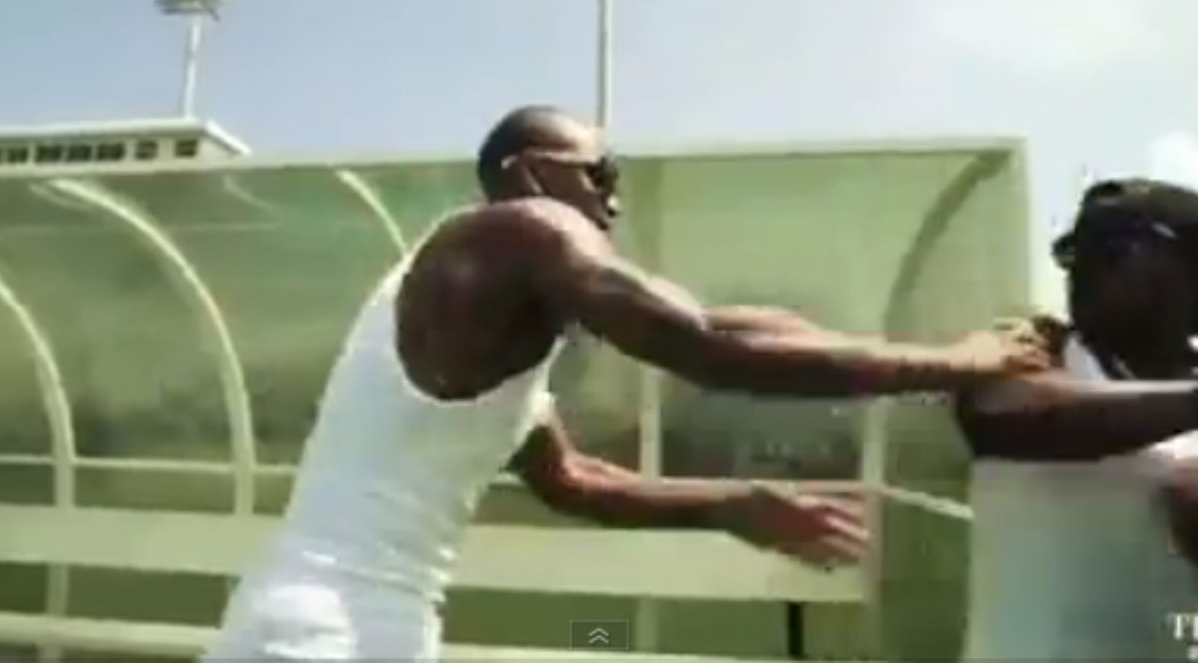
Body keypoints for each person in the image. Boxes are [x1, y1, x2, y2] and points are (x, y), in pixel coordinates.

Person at [202, 105, 1050, 661]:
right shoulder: (517, 230)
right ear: (529, 174)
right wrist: (963, 362)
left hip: (337, 627)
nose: (614, 202)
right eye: (599, 174)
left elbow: (576, 478)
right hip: (323, 636)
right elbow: (705, 342)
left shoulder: (488, 334)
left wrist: (735, 505)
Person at [957, 178, 1198, 661]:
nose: (1084, 272)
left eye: (1117, 253)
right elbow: (1013, 411)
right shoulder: (1030, 351)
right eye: (1076, 255)